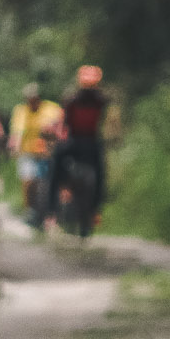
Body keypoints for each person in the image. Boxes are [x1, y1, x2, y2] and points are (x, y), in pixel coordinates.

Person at [50, 64, 111, 231]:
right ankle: (52, 210)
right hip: (74, 140)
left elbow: (108, 122)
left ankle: (94, 211)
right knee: (56, 165)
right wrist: (61, 136)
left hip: (91, 140)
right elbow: (64, 122)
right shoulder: (72, 99)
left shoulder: (101, 100)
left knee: (100, 173)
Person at [7, 82, 62, 228]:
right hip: (27, 152)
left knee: (47, 183)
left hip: (46, 153)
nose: (32, 101)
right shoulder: (21, 111)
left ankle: (50, 213)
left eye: (34, 98)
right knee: (28, 180)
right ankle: (30, 210)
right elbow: (17, 132)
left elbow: (60, 126)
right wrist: (14, 146)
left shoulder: (51, 109)